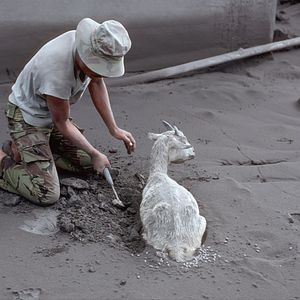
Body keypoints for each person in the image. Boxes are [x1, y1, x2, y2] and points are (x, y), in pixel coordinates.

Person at [0, 18, 136, 206]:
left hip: (51, 115)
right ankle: (4, 160)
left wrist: (114, 129)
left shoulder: (93, 45)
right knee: (46, 193)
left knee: (91, 165)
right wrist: (95, 152)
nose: (100, 73)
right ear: (87, 54)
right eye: (99, 68)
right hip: (28, 118)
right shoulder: (57, 70)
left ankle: (32, 152)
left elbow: (96, 82)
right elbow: (62, 122)